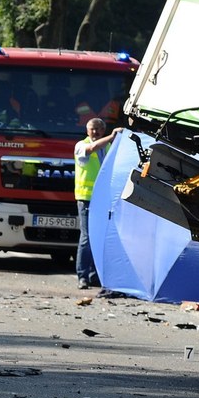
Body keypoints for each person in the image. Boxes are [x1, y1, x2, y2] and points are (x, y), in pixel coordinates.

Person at [74, 118, 122, 290]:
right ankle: (83, 276)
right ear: (87, 130)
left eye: (99, 129)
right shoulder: (81, 145)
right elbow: (92, 148)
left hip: (103, 199)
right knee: (87, 238)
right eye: (93, 129)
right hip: (86, 198)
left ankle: (95, 276)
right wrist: (111, 136)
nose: (95, 132)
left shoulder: (109, 148)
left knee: (100, 237)